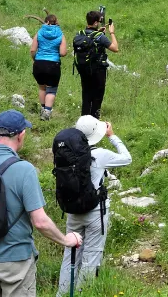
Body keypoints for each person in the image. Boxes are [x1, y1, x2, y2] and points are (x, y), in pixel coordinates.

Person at [0, 110, 82, 297]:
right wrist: (66, 240)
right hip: (16, 263)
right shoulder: (24, 169)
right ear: (21, 135)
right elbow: (40, 222)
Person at [56, 116, 131, 296]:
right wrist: (112, 136)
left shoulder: (66, 154)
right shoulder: (100, 154)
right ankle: (82, 293)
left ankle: (63, 293)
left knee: (71, 254)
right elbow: (127, 158)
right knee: (91, 256)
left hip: (73, 211)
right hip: (95, 211)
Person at [75, 11, 118, 119]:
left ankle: (84, 120)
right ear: (95, 23)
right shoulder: (100, 37)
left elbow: (90, 39)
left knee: (86, 95)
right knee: (97, 97)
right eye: (99, 21)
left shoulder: (80, 34)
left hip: (84, 70)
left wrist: (98, 32)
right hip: (98, 71)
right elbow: (115, 48)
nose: (100, 23)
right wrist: (112, 33)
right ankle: (94, 121)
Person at [30, 14, 68, 121]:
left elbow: (33, 50)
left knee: (42, 87)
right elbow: (63, 52)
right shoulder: (61, 34)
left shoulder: (39, 32)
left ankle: (42, 109)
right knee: (51, 90)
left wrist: (35, 59)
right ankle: (47, 112)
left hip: (39, 64)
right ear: (56, 22)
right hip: (53, 65)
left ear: (46, 22)